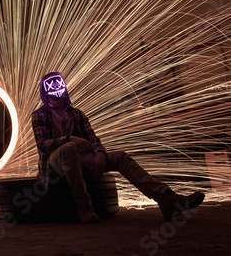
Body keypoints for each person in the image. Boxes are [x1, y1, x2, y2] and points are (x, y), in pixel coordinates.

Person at [32, 72, 205, 224]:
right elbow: (43, 145)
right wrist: (70, 138)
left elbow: (94, 139)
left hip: (78, 160)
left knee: (120, 157)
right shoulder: (39, 116)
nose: (58, 98)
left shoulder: (77, 114)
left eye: (60, 94)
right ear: (46, 96)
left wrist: (100, 153)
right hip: (55, 166)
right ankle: (83, 206)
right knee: (69, 148)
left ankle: (167, 200)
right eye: (53, 95)